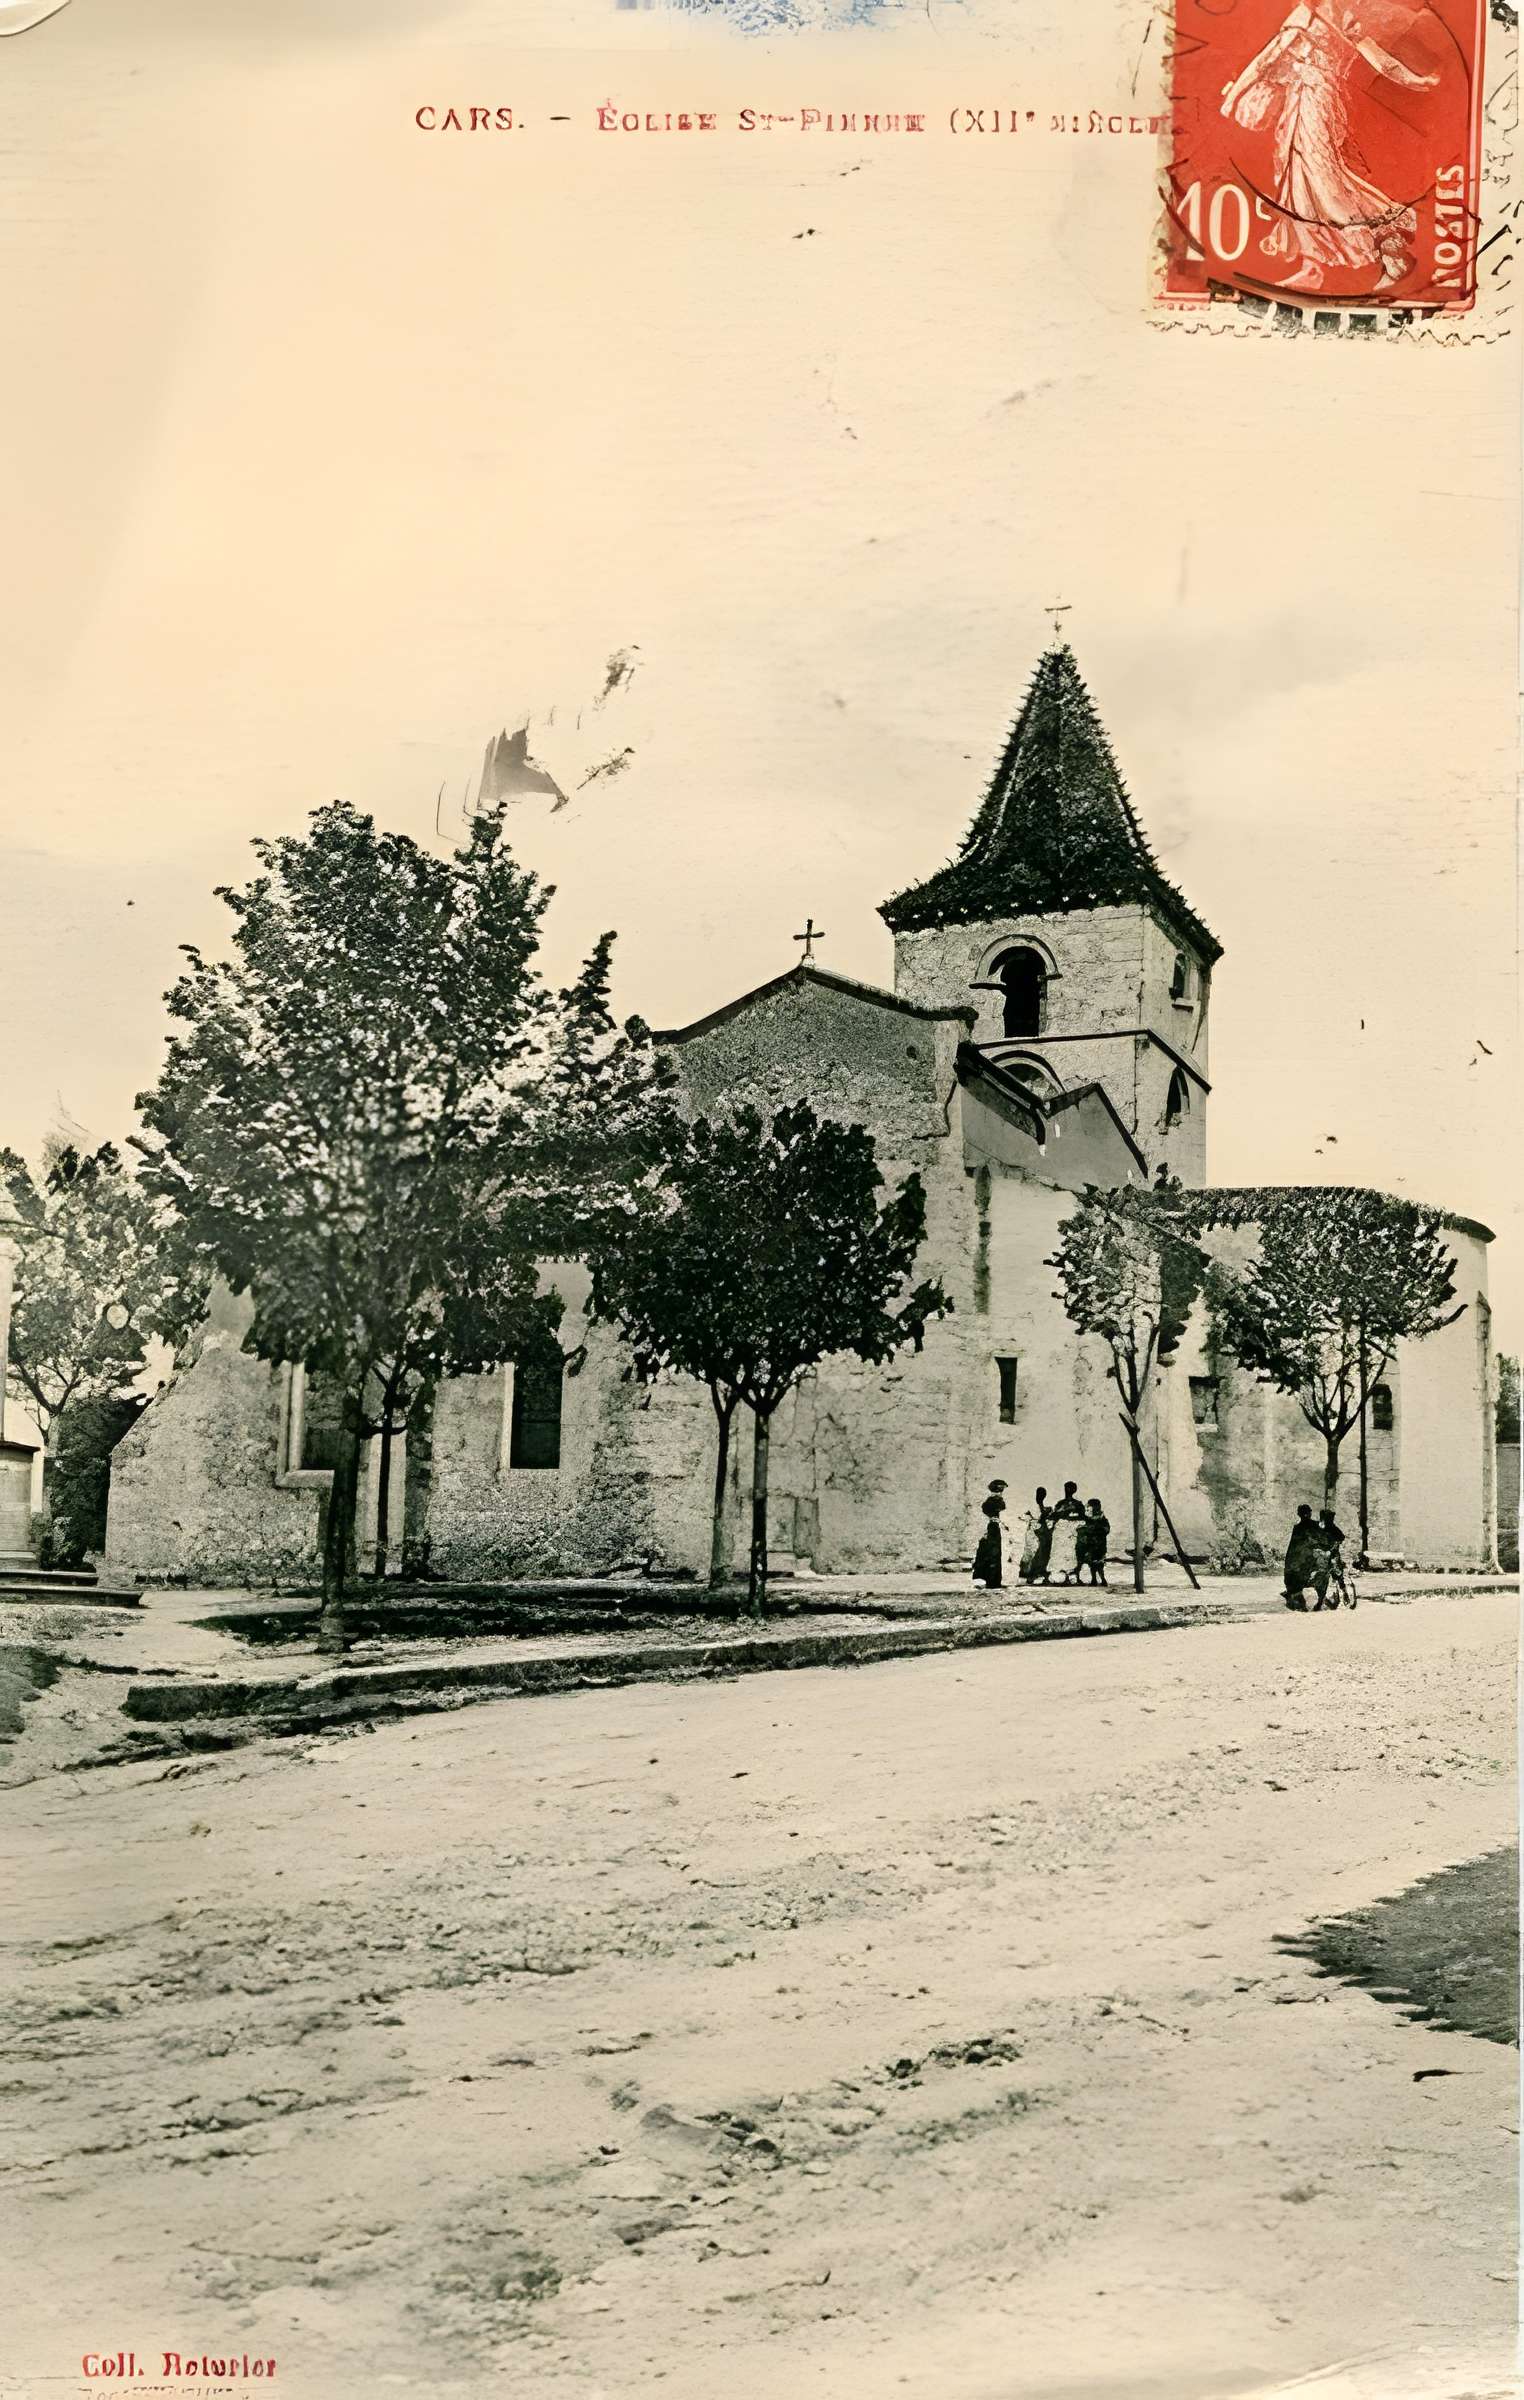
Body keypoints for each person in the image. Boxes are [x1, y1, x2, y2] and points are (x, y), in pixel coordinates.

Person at [1219, 3, 1439, 294]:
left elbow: (1380, 61)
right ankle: (1314, 266)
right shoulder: (1307, 13)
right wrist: (1236, 95)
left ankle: (1390, 245)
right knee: (1296, 181)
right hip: (1299, 103)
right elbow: (1268, 61)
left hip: (1317, 103)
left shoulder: (1341, 16)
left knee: (1324, 181)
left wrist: (1417, 80)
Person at [1283, 1503, 1330, 1610]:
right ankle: (1295, 1595)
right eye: (1304, 1513)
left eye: (1306, 1513)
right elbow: (1293, 1546)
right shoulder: (1302, 1527)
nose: (1306, 1515)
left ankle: (1318, 1599)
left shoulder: (1314, 1526)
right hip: (1306, 1558)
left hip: (1311, 1557)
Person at [1047, 1481, 1086, 1586]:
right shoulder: (1060, 1504)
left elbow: (1082, 1517)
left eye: (1070, 1488)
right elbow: (1054, 1516)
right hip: (1060, 1531)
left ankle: (1071, 1574)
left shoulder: (1078, 1504)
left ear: (1074, 1490)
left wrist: (1071, 1518)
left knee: (1070, 1552)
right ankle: (1059, 1574)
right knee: (1058, 1552)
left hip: (1071, 1532)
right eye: (1066, 1488)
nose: (1067, 1490)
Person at [972, 1480, 1007, 1589]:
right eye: (999, 1490)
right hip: (992, 1529)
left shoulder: (991, 1502)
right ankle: (992, 1581)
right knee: (993, 1554)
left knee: (992, 1554)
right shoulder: (994, 1502)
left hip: (993, 1529)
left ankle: (992, 1580)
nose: (1000, 1493)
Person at [1020, 1486, 1052, 1584]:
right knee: (1035, 1552)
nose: (1041, 1496)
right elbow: (1026, 1517)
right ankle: (1031, 1574)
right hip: (1035, 1532)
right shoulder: (1033, 1506)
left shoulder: (1041, 1506)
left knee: (1043, 1552)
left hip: (1042, 1531)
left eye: (1043, 1495)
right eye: (1040, 1494)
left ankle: (1038, 1573)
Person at [1076, 1498, 1110, 1587]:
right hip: (1092, 1544)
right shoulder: (1090, 1518)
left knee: (1099, 1563)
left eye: (1090, 1506)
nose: (1089, 1508)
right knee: (1093, 1563)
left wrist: (1093, 1530)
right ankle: (1094, 1580)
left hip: (1099, 1544)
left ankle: (1102, 1579)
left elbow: (1106, 1529)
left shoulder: (1101, 1519)